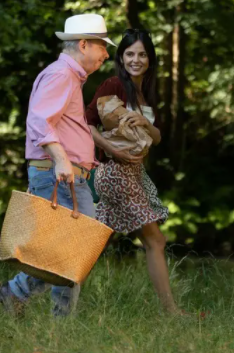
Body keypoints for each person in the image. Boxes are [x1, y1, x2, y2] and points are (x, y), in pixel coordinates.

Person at [0, 13, 114, 317]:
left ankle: (49, 314)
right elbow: (39, 120)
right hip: (58, 175)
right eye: (102, 46)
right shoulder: (61, 75)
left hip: (65, 175)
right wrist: (62, 159)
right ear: (84, 44)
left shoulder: (68, 77)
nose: (106, 54)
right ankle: (21, 296)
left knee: (70, 252)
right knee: (74, 251)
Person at [85, 28, 181, 315]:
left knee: (92, 245)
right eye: (129, 54)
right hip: (114, 172)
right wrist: (111, 150)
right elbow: (87, 124)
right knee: (155, 240)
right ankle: (171, 312)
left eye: (141, 54)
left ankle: (27, 292)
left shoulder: (145, 91)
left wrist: (144, 123)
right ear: (121, 57)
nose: (135, 59)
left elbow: (157, 136)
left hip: (134, 173)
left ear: (150, 58)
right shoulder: (113, 84)